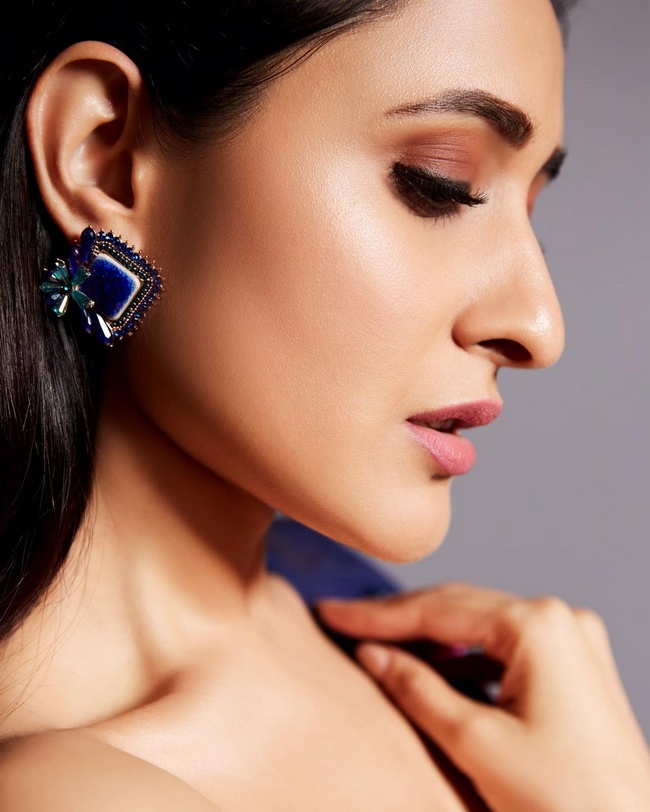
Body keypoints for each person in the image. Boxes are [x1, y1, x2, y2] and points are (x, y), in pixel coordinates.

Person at [0, 0, 648, 809]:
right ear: (104, 157)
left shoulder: (374, 627)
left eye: (531, 215)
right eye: (440, 184)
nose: (539, 326)